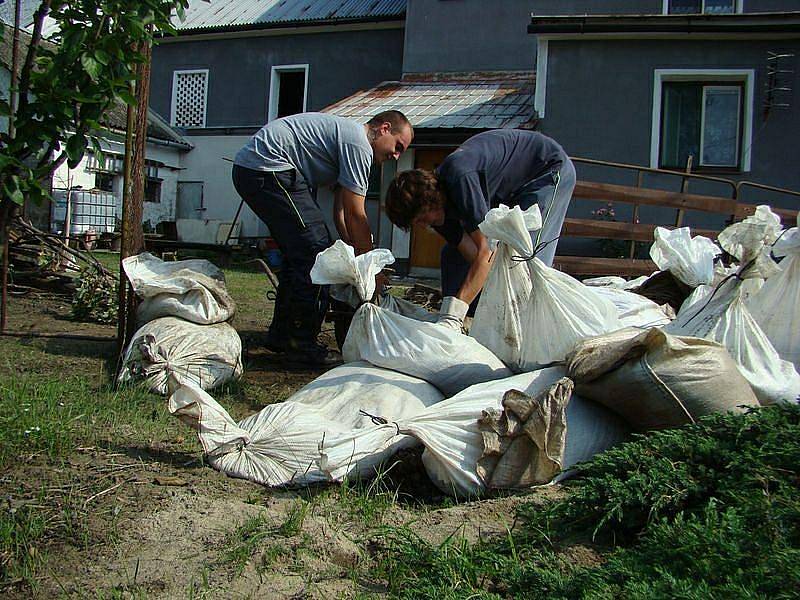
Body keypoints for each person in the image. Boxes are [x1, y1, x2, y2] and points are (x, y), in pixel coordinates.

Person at [232, 110, 413, 365]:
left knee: (301, 256)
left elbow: (340, 212)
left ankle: (283, 336)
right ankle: (301, 344)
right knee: (318, 256)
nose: (396, 155)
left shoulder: (351, 142)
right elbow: (356, 213)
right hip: (268, 168)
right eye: (398, 146)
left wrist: (351, 251)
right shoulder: (359, 144)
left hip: (255, 169)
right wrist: (369, 268)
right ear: (384, 128)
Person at [384, 129, 575, 331]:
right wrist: (461, 306)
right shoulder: (441, 214)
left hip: (546, 170)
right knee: (452, 255)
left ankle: (533, 330)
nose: (424, 225)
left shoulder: (461, 178)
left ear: (430, 201)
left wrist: (457, 310)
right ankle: (469, 323)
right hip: (512, 189)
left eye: (422, 218)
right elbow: (473, 255)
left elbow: (486, 253)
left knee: (526, 256)